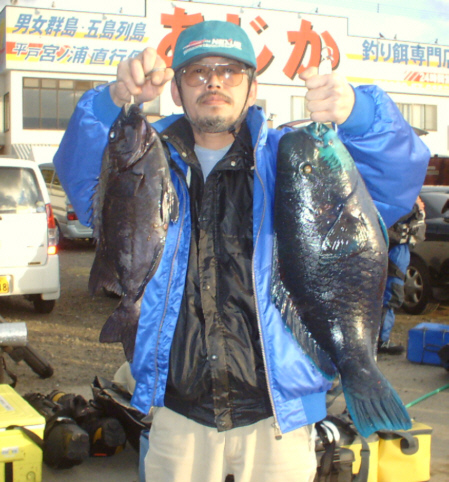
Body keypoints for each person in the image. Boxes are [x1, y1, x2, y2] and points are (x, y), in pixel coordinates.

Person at [53, 20, 430, 482]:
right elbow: (82, 180)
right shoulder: (149, 161)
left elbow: (394, 182)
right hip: (177, 418)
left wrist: (359, 113)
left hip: (279, 422)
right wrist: (112, 100)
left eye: (230, 71)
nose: (214, 82)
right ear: (176, 90)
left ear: (252, 89)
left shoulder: (292, 159)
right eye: (198, 72)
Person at [378, 196, 427, 355]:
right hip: (394, 252)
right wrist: (416, 207)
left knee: (390, 295)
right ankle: (380, 340)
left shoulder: (402, 197)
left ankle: (379, 339)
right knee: (391, 295)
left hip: (397, 251)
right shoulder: (400, 200)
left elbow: (419, 231)